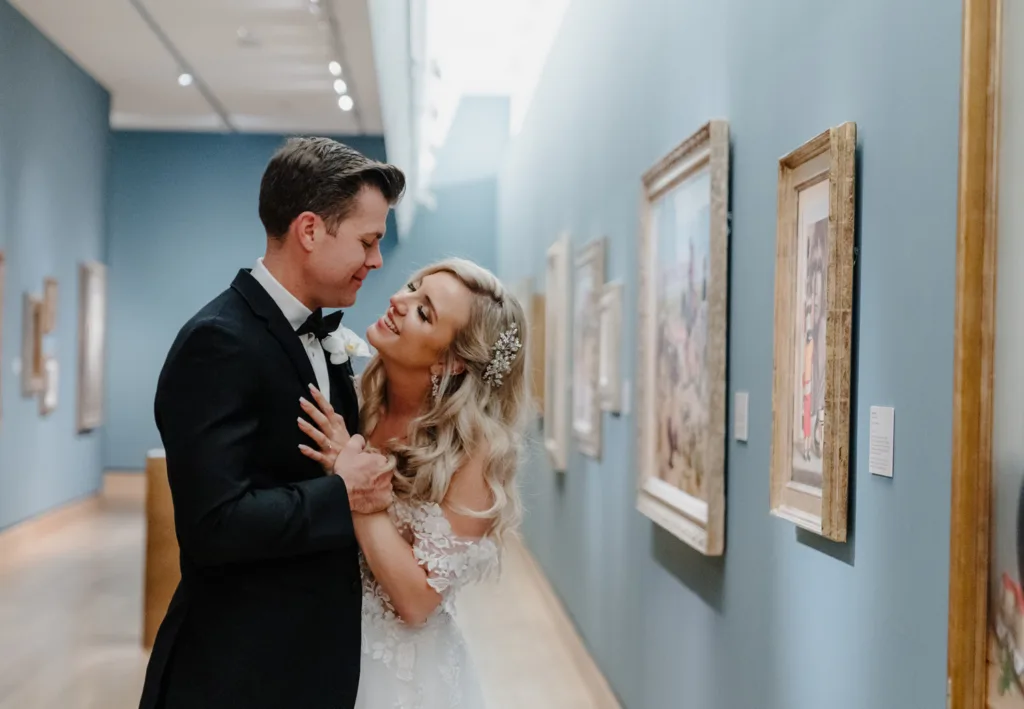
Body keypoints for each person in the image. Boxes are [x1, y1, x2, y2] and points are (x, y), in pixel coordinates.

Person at [138, 137, 406, 709]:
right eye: (369, 241)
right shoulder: (218, 341)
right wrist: (344, 494)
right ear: (310, 230)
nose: (377, 261)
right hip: (238, 673)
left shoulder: (323, 337)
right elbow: (214, 526)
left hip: (308, 664)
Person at [297, 258, 529, 708]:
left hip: (399, 678)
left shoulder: (475, 452)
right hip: (321, 644)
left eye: (424, 312)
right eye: (411, 287)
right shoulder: (357, 399)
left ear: (453, 361)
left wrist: (357, 486)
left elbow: (417, 601)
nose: (397, 301)